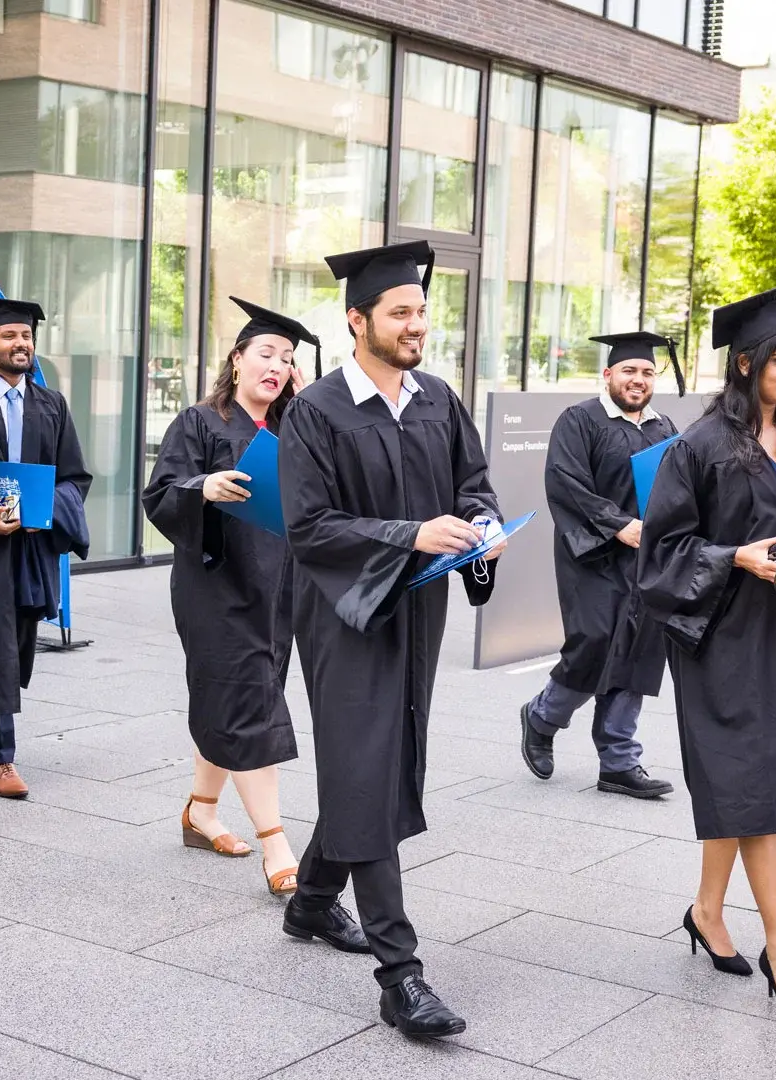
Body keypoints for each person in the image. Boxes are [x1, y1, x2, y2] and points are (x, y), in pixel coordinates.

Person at [277, 240, 501, 1039]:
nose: (416, 325)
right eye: (400, 313)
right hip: (345, 610)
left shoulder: (438, 398)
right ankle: (400, 974)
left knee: (382, 757)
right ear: (356, 320)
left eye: (420, 312)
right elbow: (308, 528)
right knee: (367, 765)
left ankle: (309, 901)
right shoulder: (316, 412)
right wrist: (412, 533)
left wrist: (481, 528)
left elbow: (473, 487)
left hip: (419, 608)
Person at [636, 277, 776, 1014]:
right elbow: (662, 553)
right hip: (721, 636)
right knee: (755, 789)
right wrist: (737, 556)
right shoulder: (696, 447)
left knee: (746, 783)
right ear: (745, 363)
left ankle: (706, 912)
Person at [141, 297, 313, 896]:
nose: (277, 366)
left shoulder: (295, 429)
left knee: (237, 705)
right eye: (266, 353)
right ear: (237, 359)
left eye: (288, 359)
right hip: (216, 589)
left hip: (278, 591)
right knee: (249, 710)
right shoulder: (200, 423)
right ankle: (278, 845)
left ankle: (200, 813)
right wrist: (203, 486)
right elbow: (160, 492)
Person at [519, 330, 682, 799]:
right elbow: (566, 482)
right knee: (594, 641)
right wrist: (617, 525)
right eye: (629, 371)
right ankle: (543, 715)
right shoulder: (580, 419)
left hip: (645, 558)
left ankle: (618, 761)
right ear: (608, 374)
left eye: (648, 372)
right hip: (591, 553)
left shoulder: (663, 428)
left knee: (637, 649)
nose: (638, 379)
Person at [0, 294, 91, 799]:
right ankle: (2, 759)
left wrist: (46, 512)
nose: (20, 343)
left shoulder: (52, 405)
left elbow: (74, 476)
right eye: (9, 336)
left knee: (20, 644)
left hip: (32, 546)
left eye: (26, 336)